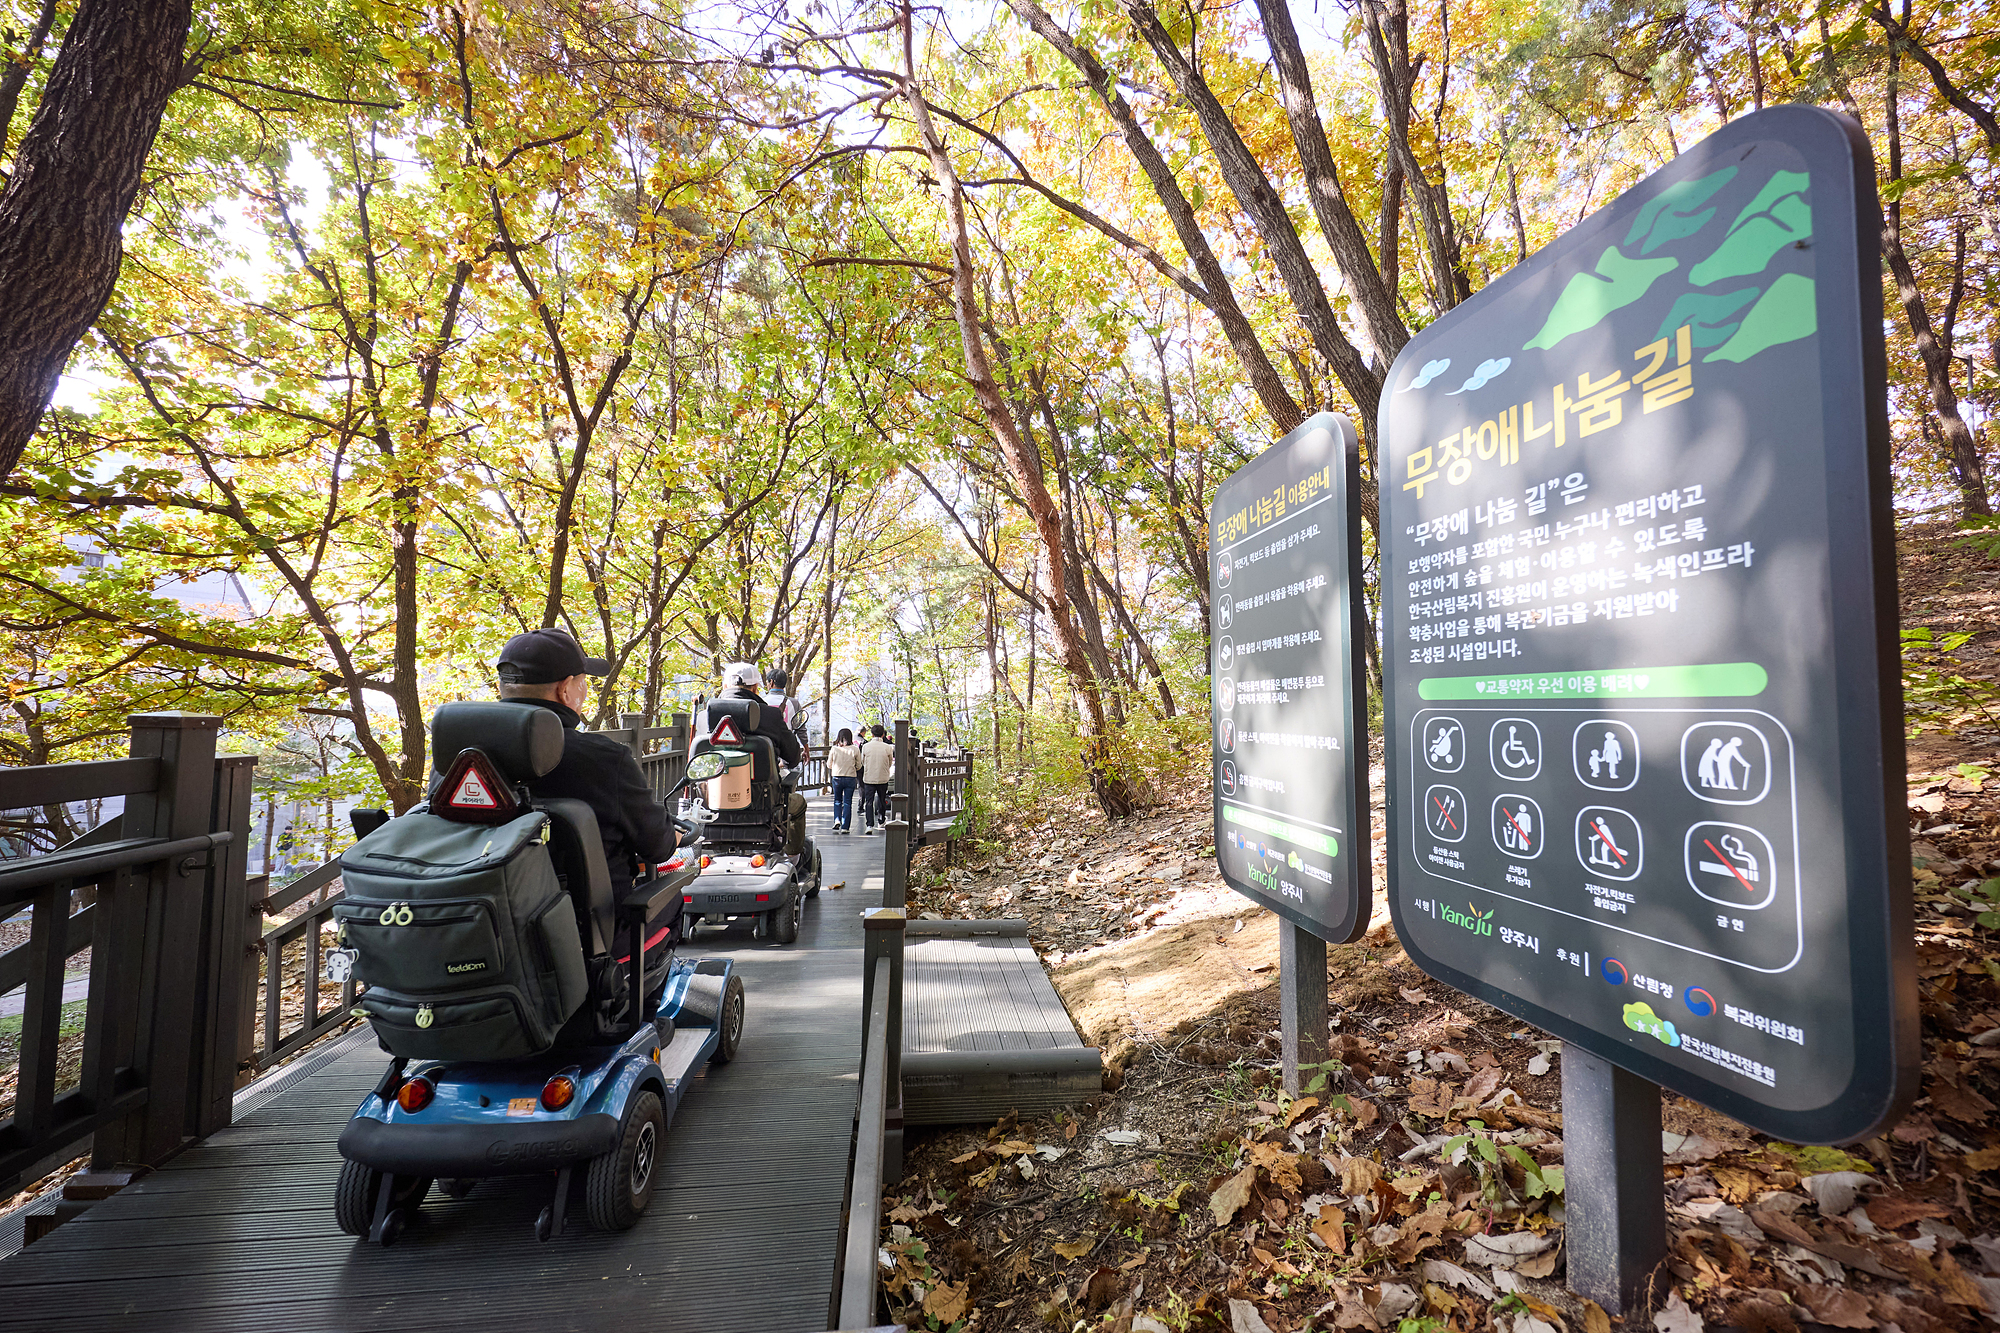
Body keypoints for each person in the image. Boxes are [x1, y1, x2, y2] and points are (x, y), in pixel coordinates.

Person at [481, 628, 678, 893]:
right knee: (674, 901)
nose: (584, 691)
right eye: (582, 682)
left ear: (502, 688)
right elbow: (659, 846)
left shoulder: (462, 757)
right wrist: (674, 835)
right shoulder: (603, 759)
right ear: (565, 690)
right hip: (587, 927)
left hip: (479, 921)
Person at [715, 662, 808, 855]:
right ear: (756, 687)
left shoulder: (705, 715)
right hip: (762, 805)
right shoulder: (770, 715)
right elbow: (793, 756)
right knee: (798, 804)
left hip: (712, 804)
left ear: (725, 686)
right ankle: (793, 856)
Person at [858, 724, 895, 833]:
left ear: (872, 734)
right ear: (883, 734)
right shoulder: (888, 747)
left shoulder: (866, 746)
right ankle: (881, 820)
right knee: (882, 798)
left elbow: (862, 762)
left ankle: (869, 825)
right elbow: (889, 763)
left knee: (869, 801)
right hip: (883, 777)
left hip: (869, 777)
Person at [827, 729, 860, 833]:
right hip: (850, 777)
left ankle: (837, 820)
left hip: (837, 777)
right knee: (847, 802)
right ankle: (845, 827)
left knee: (837, 800)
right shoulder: (855, 749)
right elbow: (859, 765)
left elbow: (829, 764)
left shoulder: (834, 749)